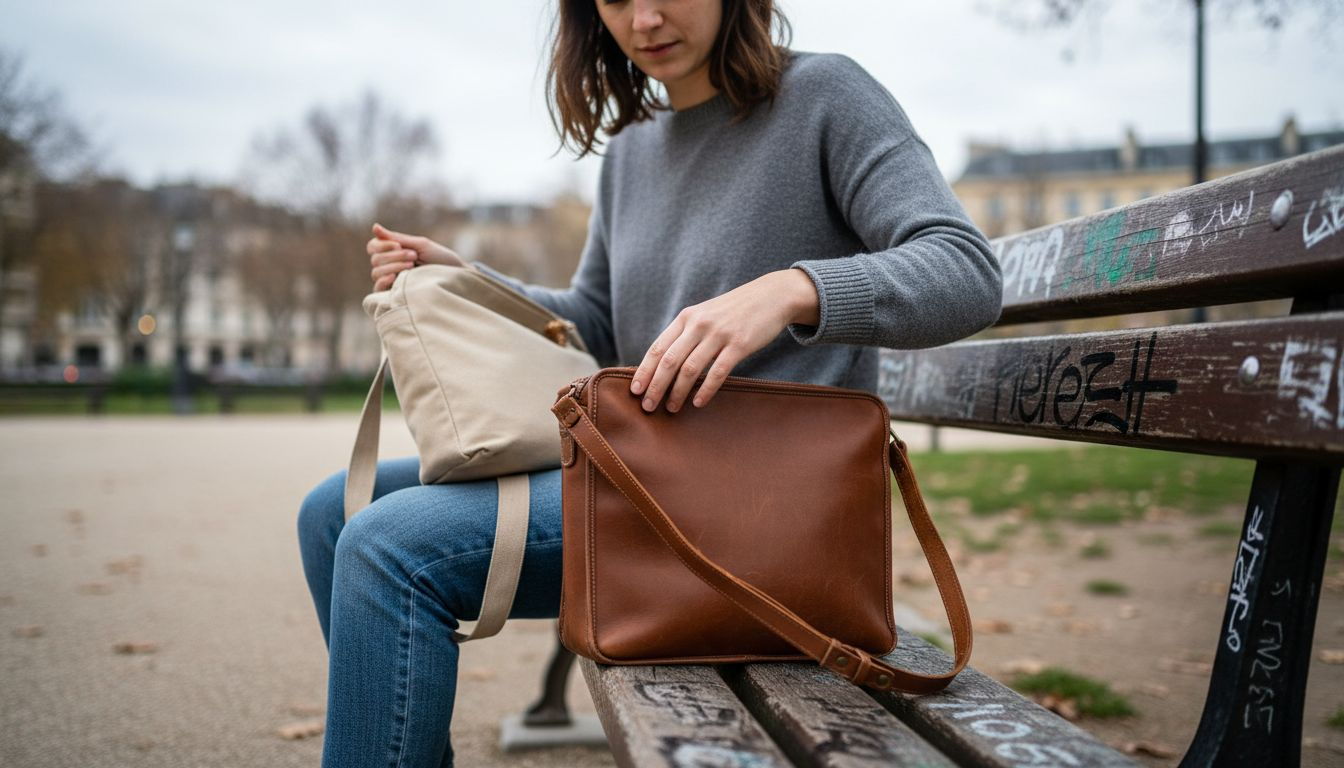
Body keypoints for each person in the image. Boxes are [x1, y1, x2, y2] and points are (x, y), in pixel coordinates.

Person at [297, 0, 1003, 765]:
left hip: (765, 510)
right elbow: (597, 324)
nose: (644, 19)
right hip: (650, 473)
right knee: (332, 510)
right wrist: (468, 280)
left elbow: (966, 273)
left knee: (387, 547)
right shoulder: (632, 148)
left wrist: (789, 290)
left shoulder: (826, 96)